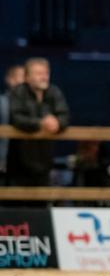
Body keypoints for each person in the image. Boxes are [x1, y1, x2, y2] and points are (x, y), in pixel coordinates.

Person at [7, 58, 69, 187]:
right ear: (27, 77)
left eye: (46, 73)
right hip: (18, 160)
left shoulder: (54, 92)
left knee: (41, 203)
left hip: (45, 159)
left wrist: (57, 122)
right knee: (15, 202)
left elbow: (65, 116)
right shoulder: (17, 92)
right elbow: (16, 118)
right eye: (38, 73)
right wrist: (41, 123)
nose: (44, 77)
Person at [0, 64, 26, 183]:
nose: (24, 81)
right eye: (21, 77)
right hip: (4, 158)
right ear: (9, 79)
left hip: (24, 161)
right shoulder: (3, 102)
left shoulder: (32, 104)